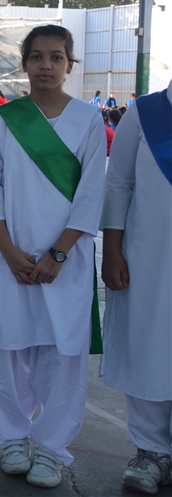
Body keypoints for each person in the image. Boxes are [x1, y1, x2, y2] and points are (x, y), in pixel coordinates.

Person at [0, 25, 105, 489]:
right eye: (37, 56)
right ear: (25, 62)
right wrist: (8, 250)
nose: (46, 65)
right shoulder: (4, 118)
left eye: (56, 57)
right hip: (9, 256)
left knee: (62, 352)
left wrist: (58, 252)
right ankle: (13, 437)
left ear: (70, 64)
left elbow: (92, 194)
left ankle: (51, 449)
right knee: (5, 346)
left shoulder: (89, 119)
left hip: (66, 261)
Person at [100, 79, 172, 495]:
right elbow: (118, 183)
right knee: (148, 346)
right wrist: (111, 250)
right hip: (147, 258)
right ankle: (151, 452)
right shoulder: (145, 113)